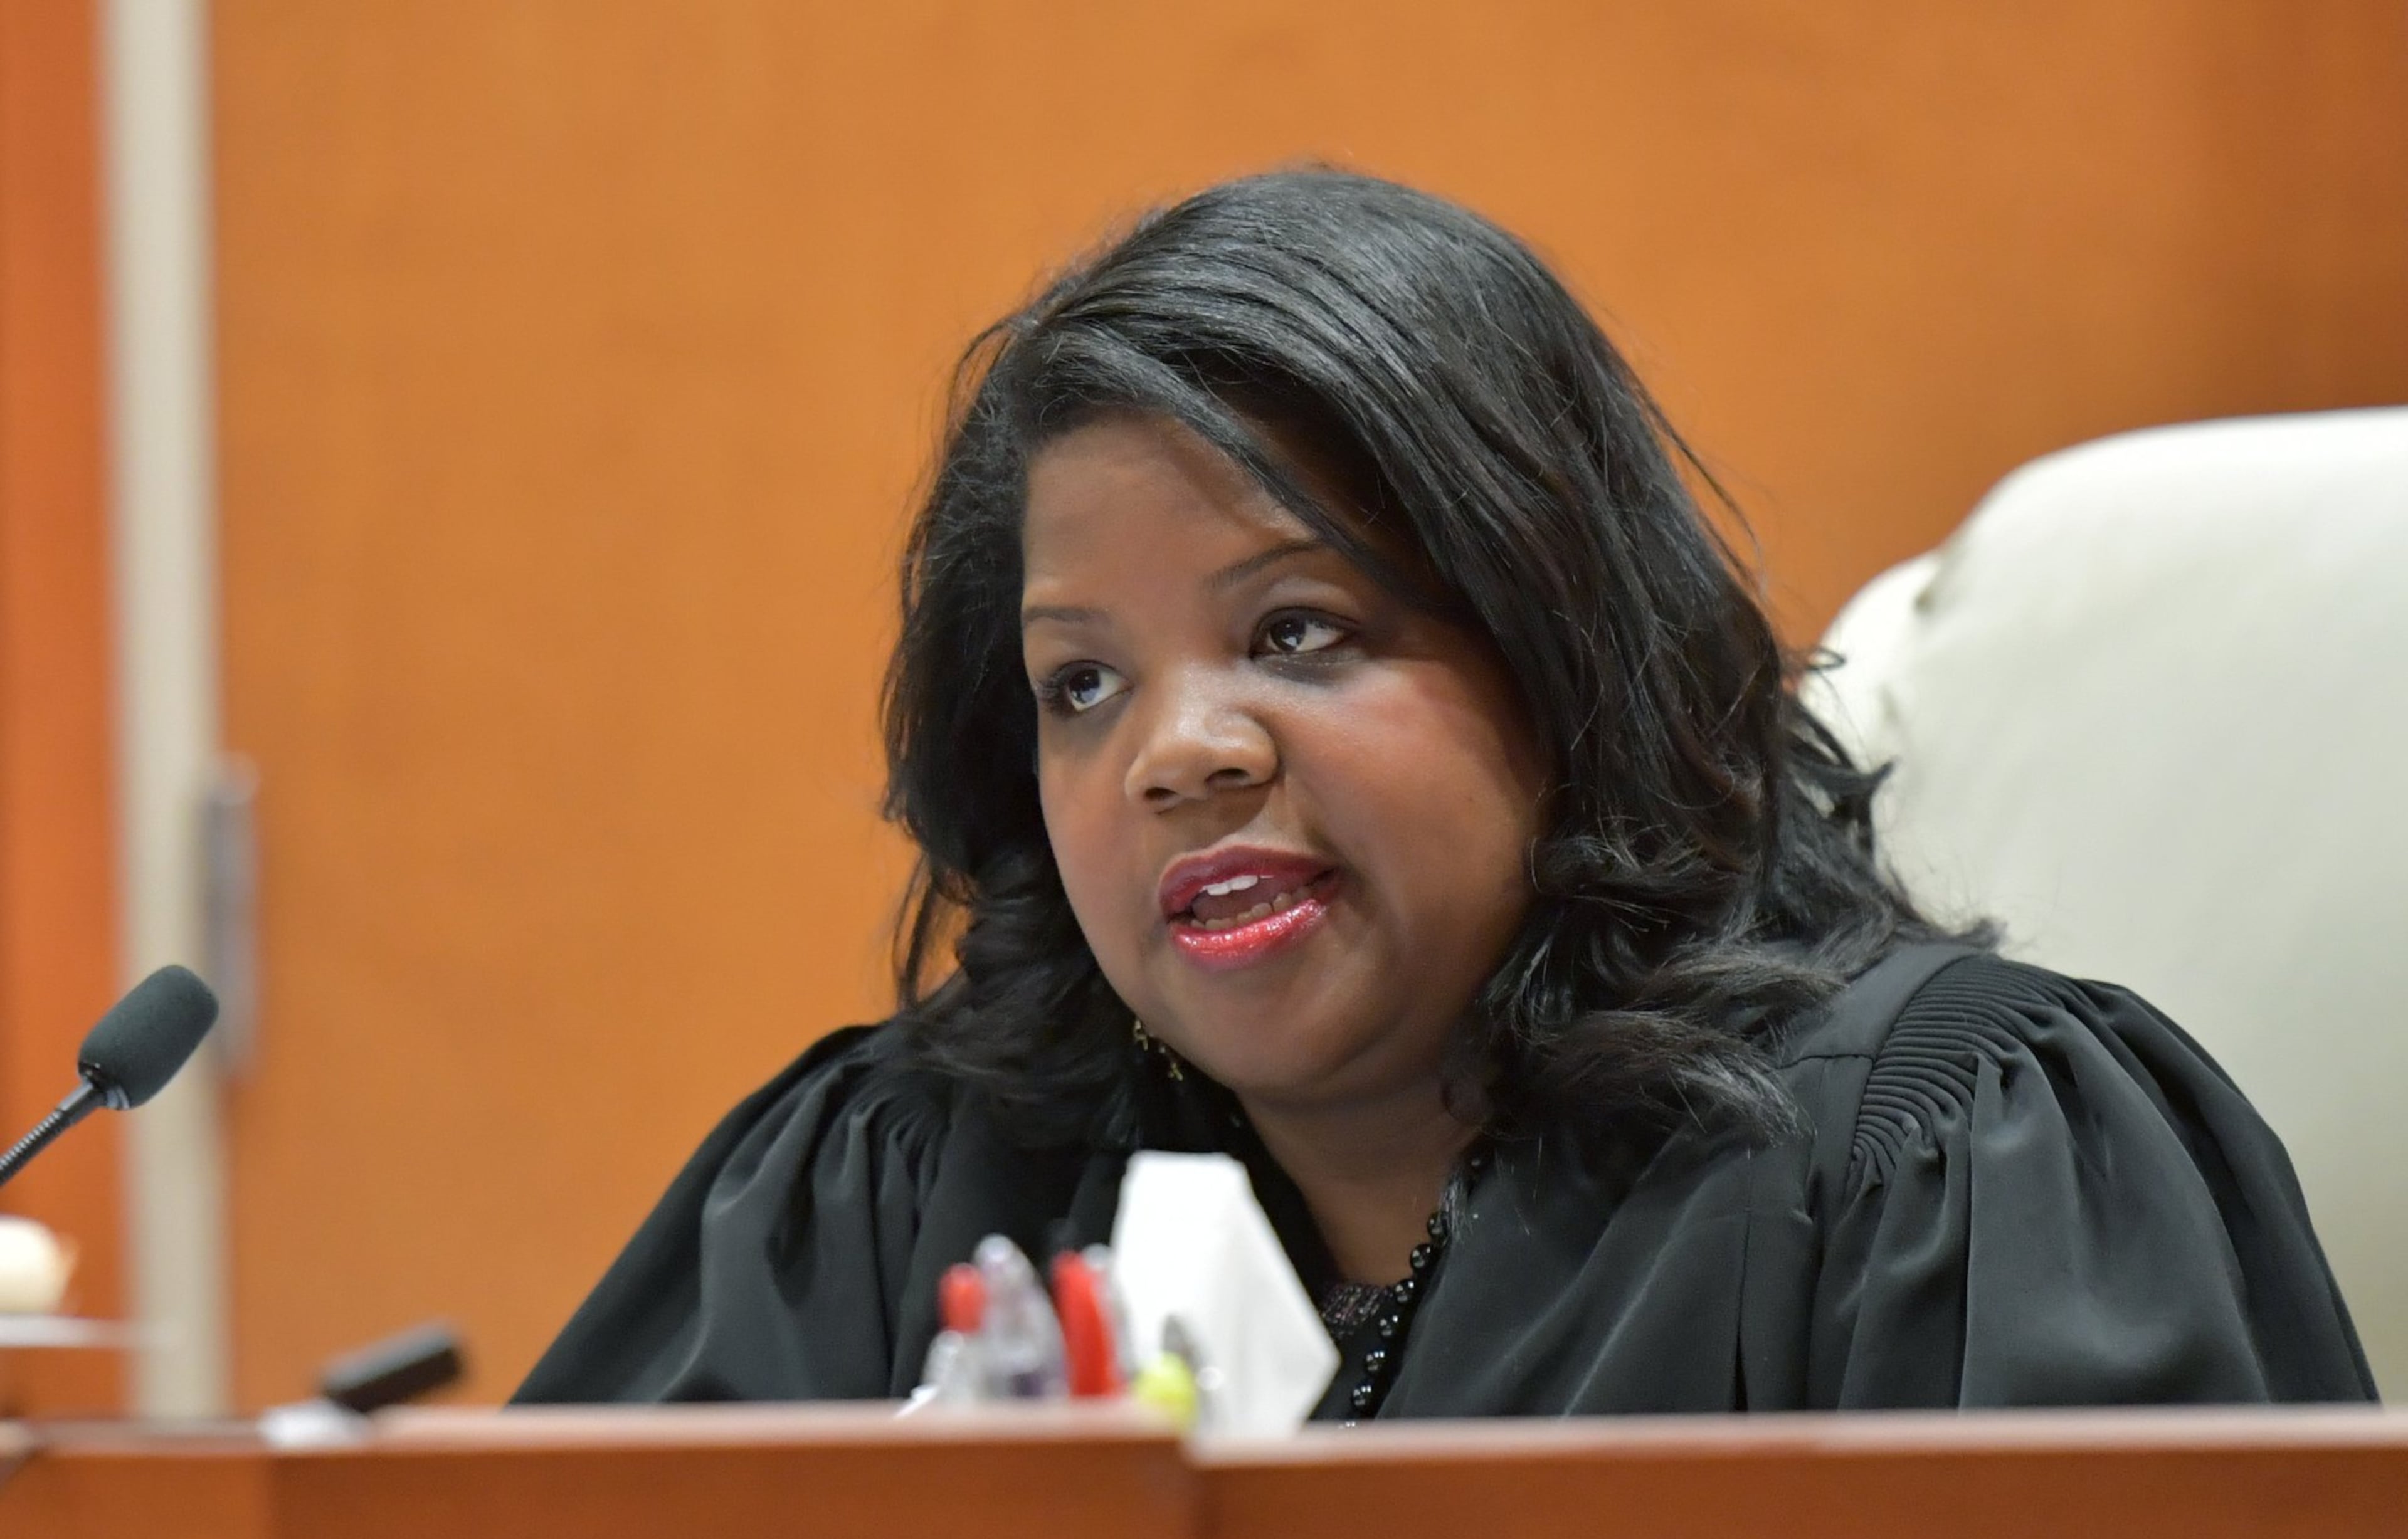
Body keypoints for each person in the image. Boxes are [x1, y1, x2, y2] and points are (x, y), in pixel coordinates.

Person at [515, 171, 2373, 1417]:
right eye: (1082, 682)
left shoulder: (1951, 1172)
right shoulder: (897, 1195)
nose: (1180, 750)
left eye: (1301, 631)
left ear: (1560, 649)